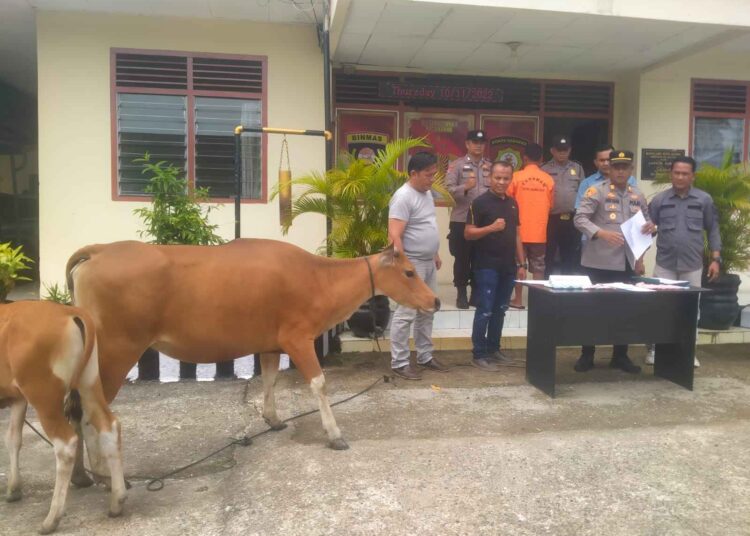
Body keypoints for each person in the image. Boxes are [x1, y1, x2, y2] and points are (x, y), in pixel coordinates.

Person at [573, 150, 652, 374]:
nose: (619, 171)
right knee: (592, 312)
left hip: (626, 263)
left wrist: (650, 230)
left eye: (624, 167)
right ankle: (587, 355)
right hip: (597, 262)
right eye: (616, 166)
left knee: (623, 311)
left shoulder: (637, 194)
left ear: (630, 170)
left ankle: (620, 356)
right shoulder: (596, 191)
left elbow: (645, 224)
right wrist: (600, 233)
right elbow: (579, 218)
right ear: (609, 168)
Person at [644, 155, 722, 367]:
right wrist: (647, 233)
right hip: (665, 264)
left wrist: (716, 259)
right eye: (676, 173)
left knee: (690, 309)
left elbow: (713, 229)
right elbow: (646, 230)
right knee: (660, 308)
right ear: (671, 174)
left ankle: (688, 351)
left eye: (684, 173)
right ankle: (654, 350)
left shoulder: (703, 200)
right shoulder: (660, 200)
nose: (680, 177)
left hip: (692, 265)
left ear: (692, 176)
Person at [388, 151, 449, 380]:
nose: (432, 179)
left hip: (428, 261)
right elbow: (394, 236)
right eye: (428, 175)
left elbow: (427, 225)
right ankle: (400, 362)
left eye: (434, 174)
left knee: (428, 309)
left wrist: (435, 253)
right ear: (413, 173)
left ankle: (425, 356)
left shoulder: (426, 193)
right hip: (411, 263)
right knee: (406, 314)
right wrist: (405, 269)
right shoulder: (403, 196)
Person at [464, 161, 527, 371]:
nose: (501, 182)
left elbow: (517, 235)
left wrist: (522, 263)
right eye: (497, 177)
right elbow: (468, 233)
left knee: (500, 310)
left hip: (508, 266)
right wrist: (491, 228)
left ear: (511, 179)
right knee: (485, 310)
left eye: (506, 178)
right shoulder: (480, 202)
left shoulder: (513, 203)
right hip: (486, 266)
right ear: (490, 177)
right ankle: (479, 354)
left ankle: (494, 349)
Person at [445, 130, 492, 309]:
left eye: (481, 142)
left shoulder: (490, 166)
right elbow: (447, 190)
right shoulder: (456, 165)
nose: (478, 145)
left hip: (484, 221)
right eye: (474, 142)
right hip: (462, 219)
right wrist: (465, 187)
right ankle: (461, 294)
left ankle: (476, 293)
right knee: (462, 258)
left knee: (481, 258)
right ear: (467, 144)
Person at [507, 142, 554, 309]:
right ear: (541, 159)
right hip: (539, 232)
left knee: (519, 266)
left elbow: (508, 202)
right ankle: (538, 302)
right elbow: (551, 205)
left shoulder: (515, 177)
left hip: (518, 232)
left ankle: (518, 300)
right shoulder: (548, 179)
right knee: (539, 267)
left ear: (523, 158)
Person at [542, 135, 585, 277]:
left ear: (570, 150)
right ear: (552, 151)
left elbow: (583, 193)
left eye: (565, 150)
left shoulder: (577, 168)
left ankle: (567, 291)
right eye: (559, 150)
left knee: (570, 255)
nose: (562, 153)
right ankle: (546, 289)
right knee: (548, 255)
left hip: (571, 219)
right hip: (551, 219)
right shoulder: (544, 169)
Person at [575, 144, 637, 210]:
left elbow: (635, 204)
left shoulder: (630, 180)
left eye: (608, 160)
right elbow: (580, 210)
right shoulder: (587, 183)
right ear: (595, 162)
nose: (606, 163)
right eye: (602, 160)